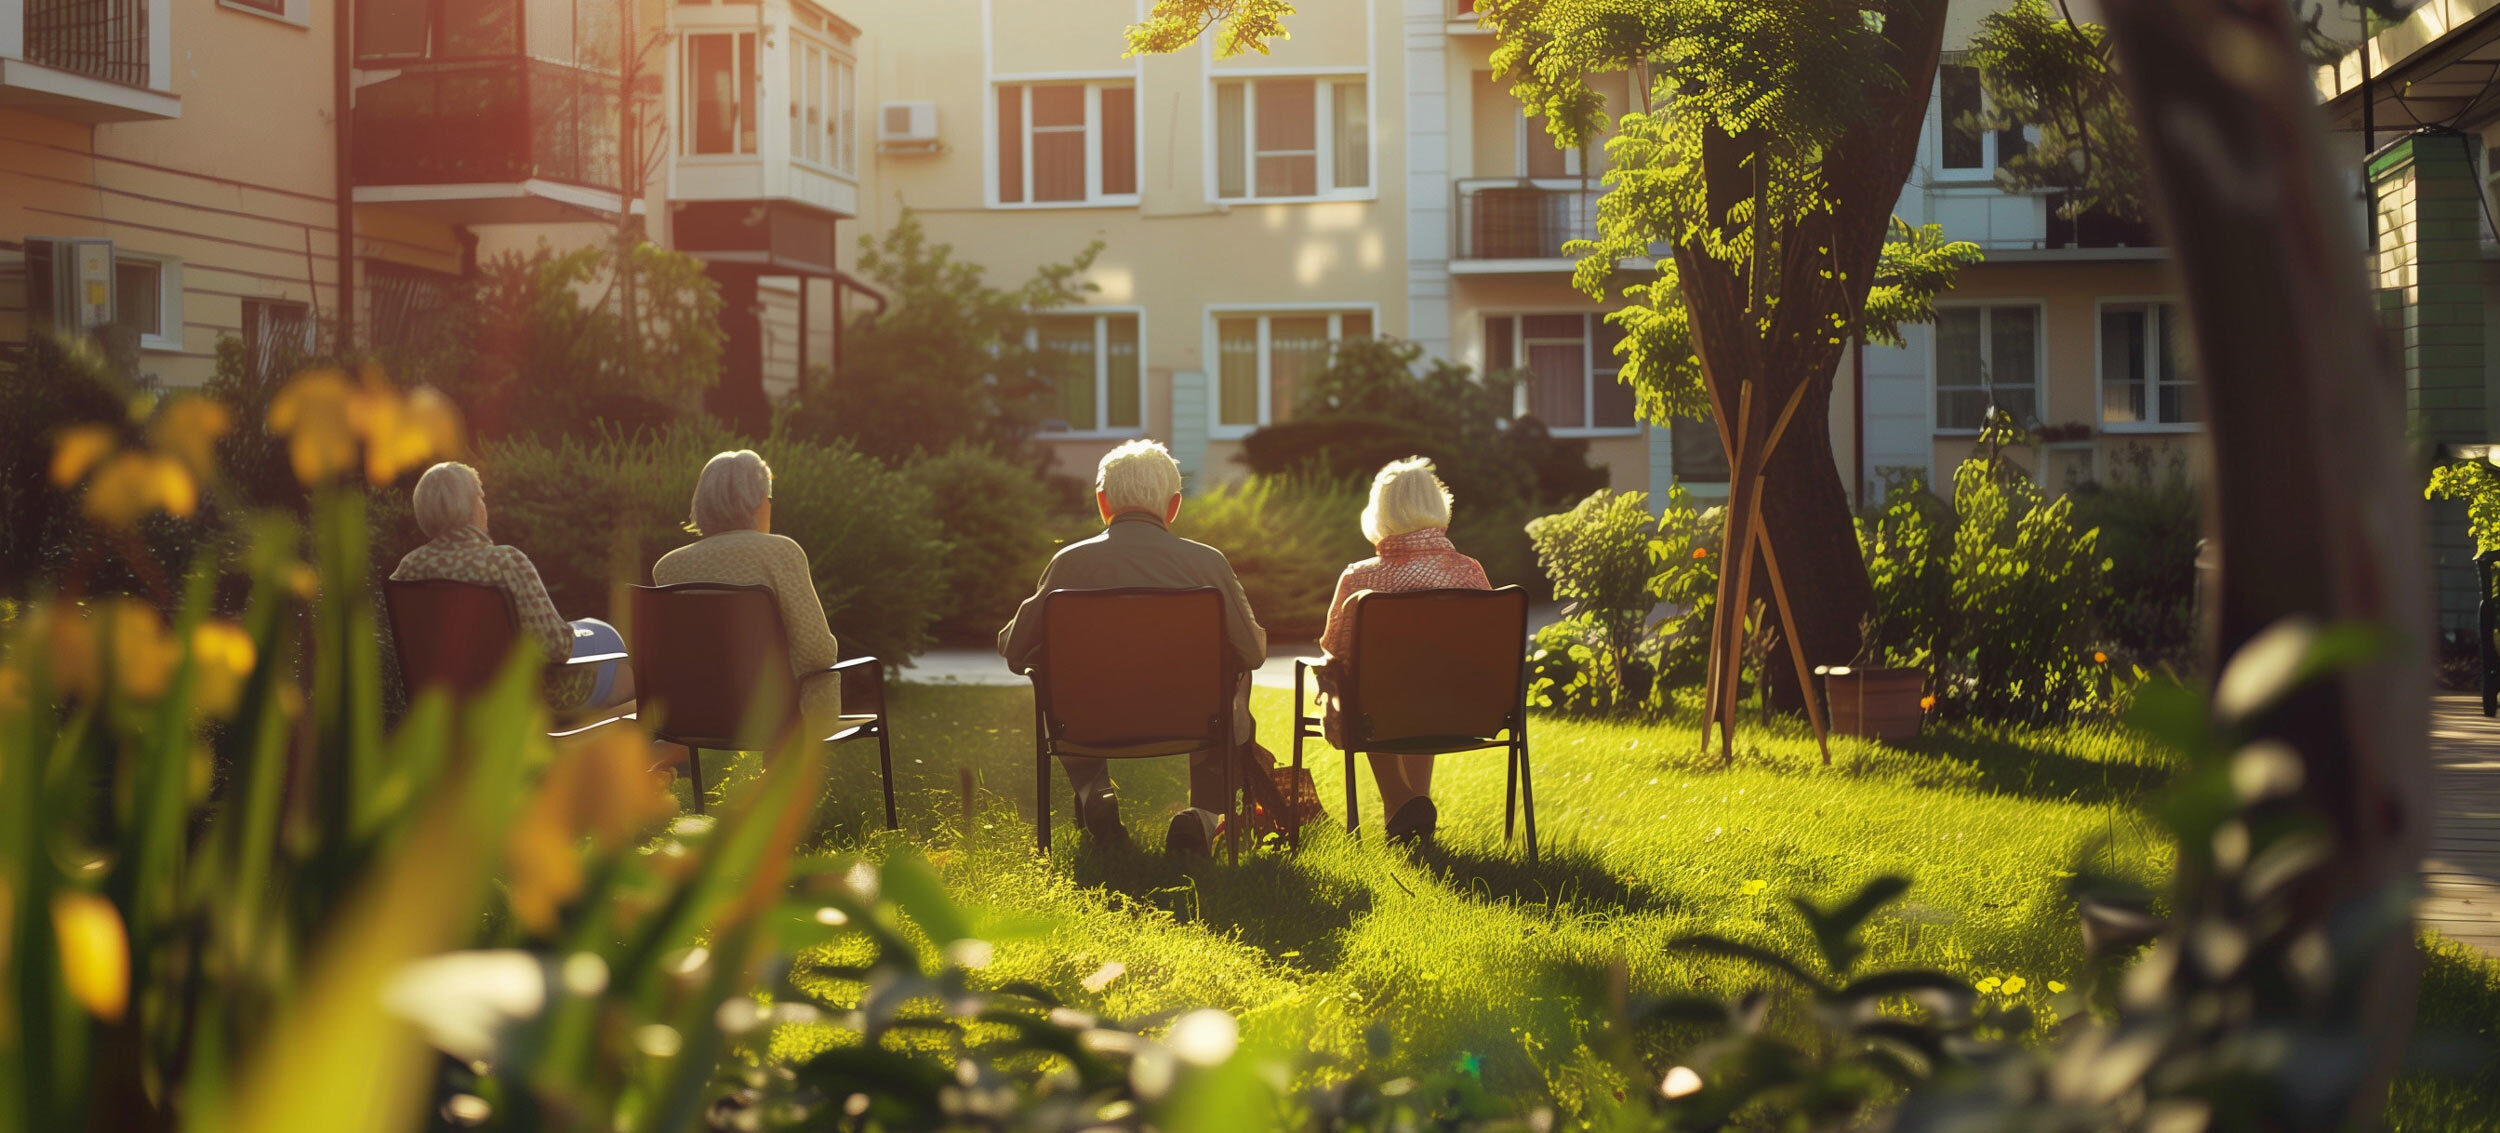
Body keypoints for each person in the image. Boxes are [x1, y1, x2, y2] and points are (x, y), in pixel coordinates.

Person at [999, 439, 1270, 855]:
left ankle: (1095, 793)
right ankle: (1200, 816)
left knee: (1062, 682)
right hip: (1196, 723)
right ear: (1174, 506)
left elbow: (1017, 652)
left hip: (1088, 725)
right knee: (1235, 676)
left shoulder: (1070, 564)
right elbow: (1251, 652)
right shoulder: (1207, 564)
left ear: (1103, 502)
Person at [1316, 457, 1491, 845]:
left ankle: (1399, 800)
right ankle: (1413, 808)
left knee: (1366, 687)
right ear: (1437, 506)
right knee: (1422, 683)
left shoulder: (1360, 577)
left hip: (1382, 711)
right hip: (1463, 710)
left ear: (1379, 512)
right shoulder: (1468, 571)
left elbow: (1335, 651)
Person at [391, 461, 635, 711]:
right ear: (473, 507)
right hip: (524, 704)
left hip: (446, 704)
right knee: (621, 660)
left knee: (600, 635)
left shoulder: (407, 570)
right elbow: (555, 647)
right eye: (481, 498)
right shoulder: (505, 562)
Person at [651, 449, 844, 736]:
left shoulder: (668, 568)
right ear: (758, 504)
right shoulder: (780, 552)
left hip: (698, 716)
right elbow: (815, 651)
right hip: (779, 717)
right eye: (767, 498)